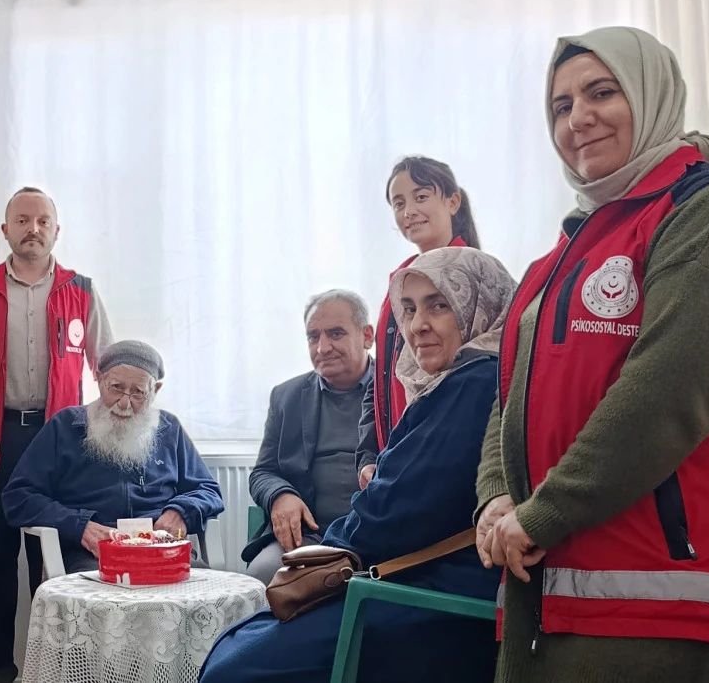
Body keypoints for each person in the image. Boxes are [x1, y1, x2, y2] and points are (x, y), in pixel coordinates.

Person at [475, 26, 709, 683]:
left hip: (676, 604)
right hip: (553, 598)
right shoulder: (562, 252)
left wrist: (541, 512)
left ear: (653, 95)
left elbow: (669, 393)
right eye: (561, 106)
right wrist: (495, 498)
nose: (578, 119)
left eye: (601, 92)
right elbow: (508, 396)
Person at [200, 248, 514, 683]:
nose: (417, 324)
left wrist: (330, 547)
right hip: (395, 564)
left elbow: (394, 508)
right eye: (409, 309)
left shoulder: (469, 385)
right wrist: (284, 499)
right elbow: (270, 472)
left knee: (236, 665)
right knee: (252, 622)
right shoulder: (449, 384)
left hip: (432, 591)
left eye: (439, 305)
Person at [0, 186, 114, 683]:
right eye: (23, 219)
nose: (33, 228)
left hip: (57, 445)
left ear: (57, 230)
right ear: (5, 229)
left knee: (48, 560)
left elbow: (108, 366)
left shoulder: (81, 290)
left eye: (43, 221)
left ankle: (49, 669)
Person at [3, 340, 224, 573]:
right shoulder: (65, 426)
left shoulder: (169, 429)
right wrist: (80, 526)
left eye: (138, 392)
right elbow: (18, 498)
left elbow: (209, 491)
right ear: (99, 379)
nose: (124, 403)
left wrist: (181, 511)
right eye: (116, 387)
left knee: (207, 594)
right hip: (91, 554)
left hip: (162, 549)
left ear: (155, 391)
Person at [357, 156, 479, 490]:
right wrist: (368, 456)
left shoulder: (476, 276)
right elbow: (381, 377)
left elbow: (478, 382)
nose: (409, 210)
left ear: (453, 201)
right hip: (396, 459)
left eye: (421, 196)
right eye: (399, 203)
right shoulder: (399, 280)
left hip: (442, 464)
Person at [242, 289, 374, 584]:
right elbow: (263, 472)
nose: (323, 347)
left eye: (336, 333)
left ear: (367, 336)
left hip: (376, 535)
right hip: (305, 536)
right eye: (313, 337)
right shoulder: (287, 397)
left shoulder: (396, 391)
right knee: (263, 576)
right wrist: (281, 495)